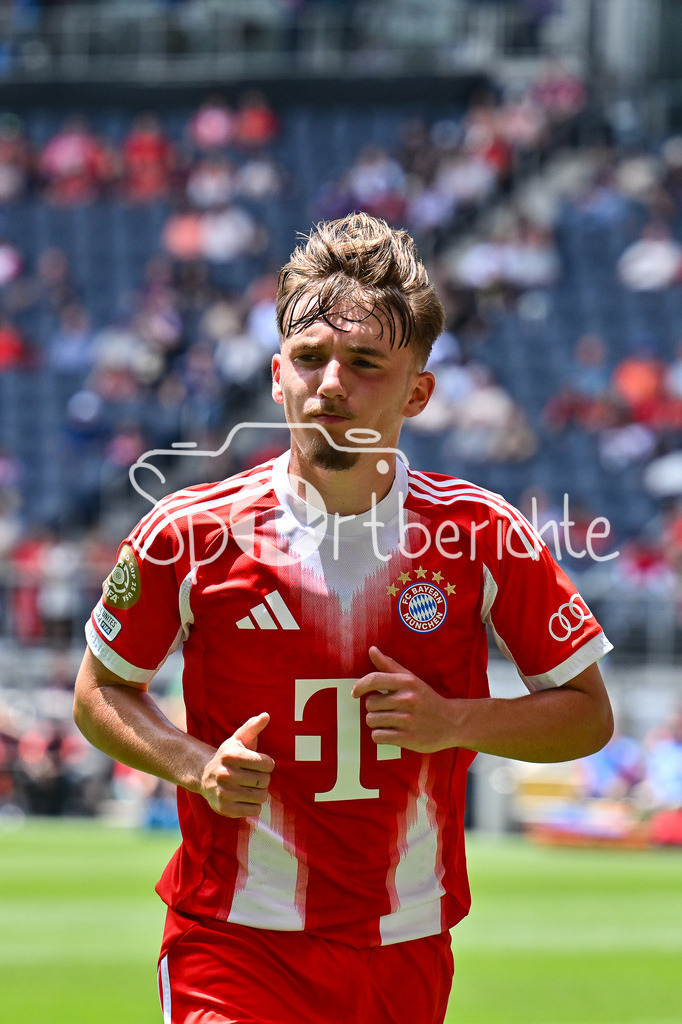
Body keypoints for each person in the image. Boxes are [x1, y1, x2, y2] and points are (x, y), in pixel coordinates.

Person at [73, 212, 614, 1024]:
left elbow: (588, 715)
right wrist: (194, 765)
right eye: (308, 358)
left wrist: (454, 721)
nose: (330, 384)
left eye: (363, 363)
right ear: (276, 375)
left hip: (404, 948)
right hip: (233, 942)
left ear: (417, 391)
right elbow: (99, 691)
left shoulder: (483, 535)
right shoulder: (184, 533)